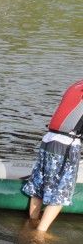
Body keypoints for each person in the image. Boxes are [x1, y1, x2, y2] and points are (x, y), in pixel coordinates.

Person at [23, 79, 83, 233]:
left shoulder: (77, 85)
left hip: (48, 140)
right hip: (66, 145)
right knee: (62, 191)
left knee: (39, 186)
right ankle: (40, 234)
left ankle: (31, 223)